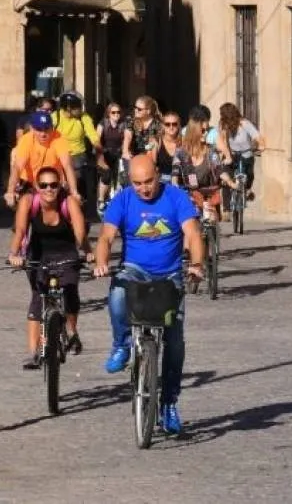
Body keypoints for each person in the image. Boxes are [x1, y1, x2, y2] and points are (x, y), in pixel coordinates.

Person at [93, 155, 204, 435]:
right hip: (135, 270)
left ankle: (169, 404)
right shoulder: (123, 200)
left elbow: (193, 234)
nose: (144, 188)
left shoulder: (176, 197)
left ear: (158, 173)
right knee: (117, 295)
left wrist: (196, 265)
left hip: (170, 275)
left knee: (175, 340)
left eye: (149, 181)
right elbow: (106, 237)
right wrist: (101, 261)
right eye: (137, 183)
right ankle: (122, 344)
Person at [8, 167, 90, 369]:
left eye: (53, 185)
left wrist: (88, 252)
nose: (49, 189)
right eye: (43, 185)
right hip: (38, 256)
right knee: (38, 297)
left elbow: (80, 233)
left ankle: (71, 330)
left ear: (60, 185)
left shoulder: (68, 202)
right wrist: (14, 254)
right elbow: (20, 231)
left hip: (66, 254)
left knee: (70, 290)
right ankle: (33, 353)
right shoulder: (29, 202)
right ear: (36, 186)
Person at [5, 112, 81, 208]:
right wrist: (10, 191)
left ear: (52, 128)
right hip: (29, 183)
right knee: (23, 207)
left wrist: (74, 192)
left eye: (46, 129)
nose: (43, 134)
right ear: (32, 128)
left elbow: (68, 166)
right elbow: (17, 167)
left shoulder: (59, 138)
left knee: (68, 208)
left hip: (52, 183)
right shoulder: (25, 140)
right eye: (39, 130)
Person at [52, 92, 101, 208]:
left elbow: (93, 135)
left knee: (78, 178)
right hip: (58, 154)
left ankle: (80, 204)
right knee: (56, 181)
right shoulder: (55, 117)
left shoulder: (84, 117)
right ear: (68, 108)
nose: (81, 109)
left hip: (77, 155)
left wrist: (99, 149)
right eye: (78, 106)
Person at [217, 102, 265, 207]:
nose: (222, 118)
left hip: (246, 153)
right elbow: (222, 140)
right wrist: (226, 156)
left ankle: (247, 189)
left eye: (223, 115)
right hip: (231, 154)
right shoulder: (223, 124)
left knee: (250, 174)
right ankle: (227, 208)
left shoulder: (244, 124)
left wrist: (261, 145)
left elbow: (257, 136)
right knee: (226, 176)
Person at [96, 102, 127, 212]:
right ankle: (101, 200)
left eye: (118, 112)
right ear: (108, 113)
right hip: (104, 153)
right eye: (113, 112)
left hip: (118, 154)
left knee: (120, 178)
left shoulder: (123, 124)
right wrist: (100, 156)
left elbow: (126, 139)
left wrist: (124, 152)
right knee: (106, 176)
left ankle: (116, 200)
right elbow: (97, 141)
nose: (116, 114)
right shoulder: (103, 124)